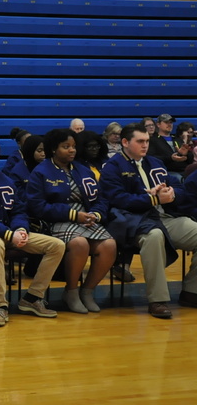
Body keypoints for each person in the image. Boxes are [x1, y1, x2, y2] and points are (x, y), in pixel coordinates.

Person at [0, 135, 65, 327]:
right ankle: (0, 306)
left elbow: (18, 209)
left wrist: (21, 229)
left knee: (56, 245)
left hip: (10, 230)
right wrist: (9, 234)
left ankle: (32, 298)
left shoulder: (5, 179)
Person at [100, 122, 197, 318]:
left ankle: (191, 292)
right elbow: (118, 200)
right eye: (140, 141)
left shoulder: (155, 163)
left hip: (163, 216)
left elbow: (179, 189)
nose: (145, 145)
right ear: (125, 142)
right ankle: (157, 300)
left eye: (147, 141)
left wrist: (170, 193)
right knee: (154, 236)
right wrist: (151, 198)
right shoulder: (112, 167)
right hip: (132, 220)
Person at [27, 128, 116, 313]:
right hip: (57, 220)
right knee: (79, 244)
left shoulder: (83, 169)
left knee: (109, 245)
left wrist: (97, 215)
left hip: (87, 218)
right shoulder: (41, 171)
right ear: (53, 149)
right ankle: (71, 291)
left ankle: (88, 291)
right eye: (65, 146)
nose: (71, 150)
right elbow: (37, 206)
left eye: (74, 146)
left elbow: (101, 199)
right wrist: (73, 215)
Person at [148, 113, 193, 179]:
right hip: (167, 171)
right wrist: (170, 158)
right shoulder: (153, 140)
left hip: (184, 171)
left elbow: (190, 159)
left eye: (171, 122)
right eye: (166, 122)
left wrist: (186, 154)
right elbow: (151, 158)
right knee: (178, 178)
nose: (169, 124)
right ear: (158, 124)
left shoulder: (178, 139)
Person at [7, 134, 44, 200]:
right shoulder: (17, 172)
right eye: (39, 151)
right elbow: (19, 197)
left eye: (45, 150)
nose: (43, 154)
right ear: (30, 150)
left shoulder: (48, 167)